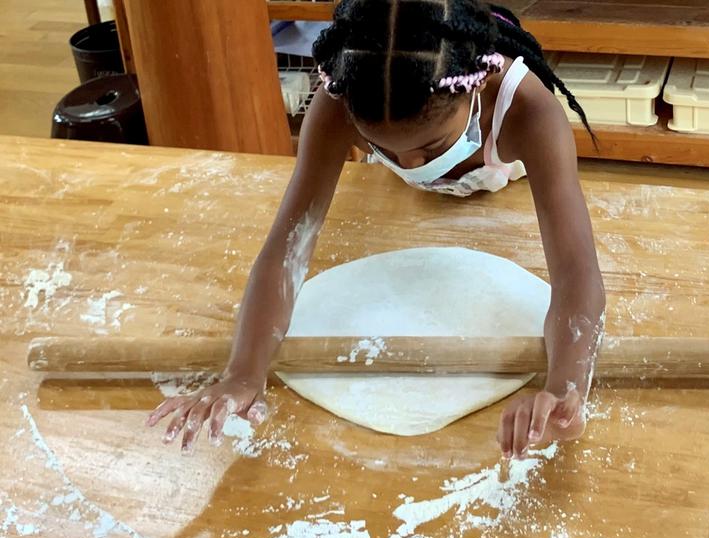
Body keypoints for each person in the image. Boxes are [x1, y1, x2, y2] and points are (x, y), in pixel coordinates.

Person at [147, 0, 605, 461]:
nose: (410, 166)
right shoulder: (337, 105)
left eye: (429, 150)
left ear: (477, 88)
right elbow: (285, 251)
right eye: (381, 147)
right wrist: (243, 373)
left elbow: (575, 272)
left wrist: (565, 385)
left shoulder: (527, 111)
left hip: (501, 174)